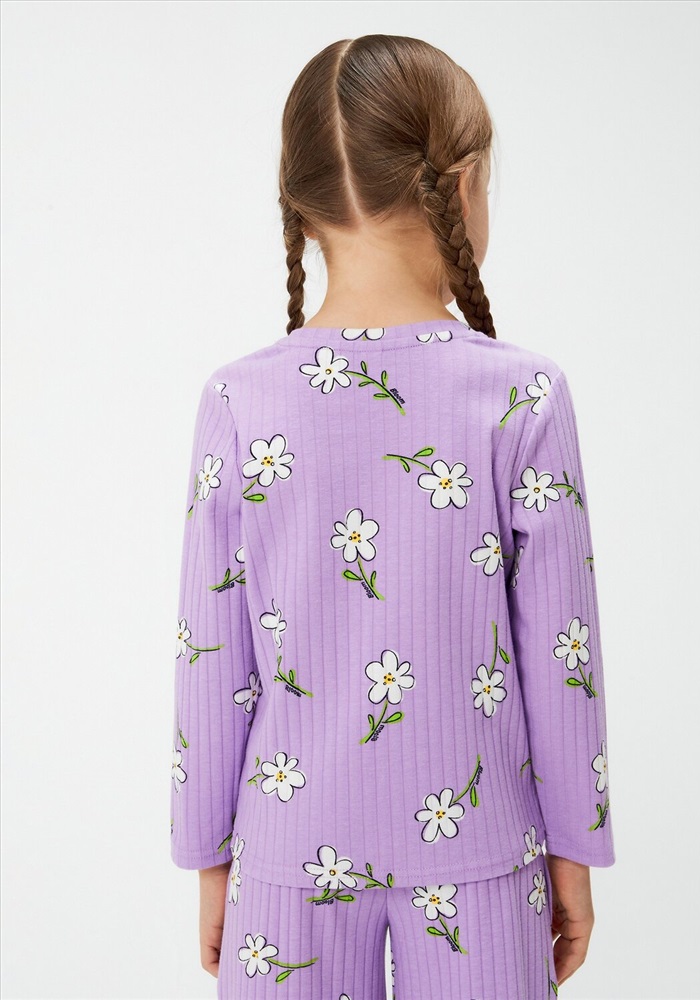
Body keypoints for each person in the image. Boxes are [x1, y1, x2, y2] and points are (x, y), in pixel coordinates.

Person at [170, 34, 616, 1000]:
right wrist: (575, 848)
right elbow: (562, 651)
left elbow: (212, 656)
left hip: (287, 859)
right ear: (464, 185)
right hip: (483, 856)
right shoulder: (523, 395)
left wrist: (210, 858)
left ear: (300, 207)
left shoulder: (239, 401)